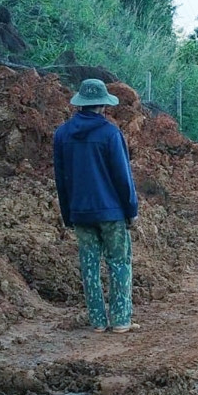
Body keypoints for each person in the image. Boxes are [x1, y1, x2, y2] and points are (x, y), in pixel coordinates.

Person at [53, 78, 139, 334]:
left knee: (89, 264)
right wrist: (131, 210)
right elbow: (122, 177)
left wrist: (67, 214)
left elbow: (61, 179)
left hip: (80, 211)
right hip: (111, 211)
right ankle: (121, 320)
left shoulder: (62, 134)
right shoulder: (110, 133)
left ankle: (98, 321)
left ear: (81, 103)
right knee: (119, 262)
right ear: (103, 104)